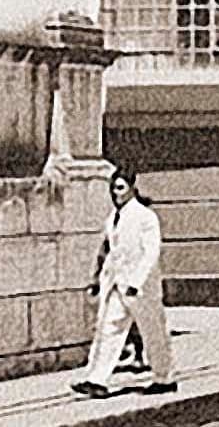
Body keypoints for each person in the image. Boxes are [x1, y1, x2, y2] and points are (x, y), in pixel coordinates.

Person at [72, 167, 176, 398]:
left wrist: (137, 281)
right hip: (119, 286)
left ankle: (164, 377)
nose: (116, 193)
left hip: (141, 289)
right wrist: (100, 280)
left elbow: (151, 252)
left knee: (153, 332)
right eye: (113, 188)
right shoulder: (113, 218)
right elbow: (110, 251)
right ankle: (96, 379)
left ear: (131, 188)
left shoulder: (146, 217)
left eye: (120, 188)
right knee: (109, 328)